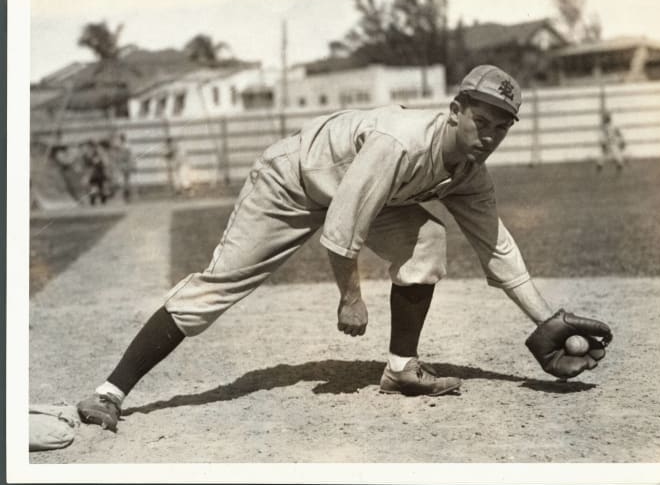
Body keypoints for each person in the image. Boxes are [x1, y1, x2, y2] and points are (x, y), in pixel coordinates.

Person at [77, 65, 613, 432]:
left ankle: (402, 368)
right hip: (292, 181)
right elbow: (340, 227)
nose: (490, 134)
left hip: (367, 193)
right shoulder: (402, 141)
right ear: (455, 110)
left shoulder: (470, 171)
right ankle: (109, 392)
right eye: (482, 120)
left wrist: (546, 320)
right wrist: (350, 297)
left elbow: (497, 248)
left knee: (428, 243)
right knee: (220, 286)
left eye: (502, 126)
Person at [111, 132, 137, 203]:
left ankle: (127, 196)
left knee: (125, 181)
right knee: (125, 181)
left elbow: (127, 157)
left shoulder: (124, 146)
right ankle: (126, 196)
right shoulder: (125, 146)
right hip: (124, 164)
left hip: (124, 164)